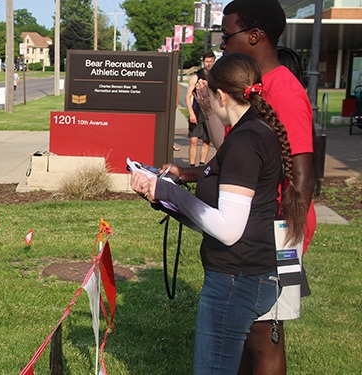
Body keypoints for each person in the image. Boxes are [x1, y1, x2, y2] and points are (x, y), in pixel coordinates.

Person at [132, 52, 304, 374]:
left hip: (235, 281)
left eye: (209, 95)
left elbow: (228, 229)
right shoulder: (252, 131)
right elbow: (216, 213)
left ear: (221, 95)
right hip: (243, 275)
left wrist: (165, 191)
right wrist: (162, 196)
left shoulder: (244, 141)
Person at [215, 1, 316, 373]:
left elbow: (304, 176)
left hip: (276, 234)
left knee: (265, 334)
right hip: (254, 228)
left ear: (254, 36)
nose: (223, 45)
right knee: (246, 329)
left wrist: (285, 245)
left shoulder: (283, 92)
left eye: (228, 37)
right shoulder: (254, 89)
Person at [185, 51, 216, 166]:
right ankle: (191, 165)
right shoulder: (196, 76)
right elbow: (188, 96)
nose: (209, 64)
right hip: (197, 111)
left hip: (210, 112)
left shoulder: (216, 76)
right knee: (193, 140)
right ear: (203, 62)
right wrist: (191, 113)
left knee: (206, 141)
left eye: (211, 61)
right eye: (207, 61)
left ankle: (202, 165)